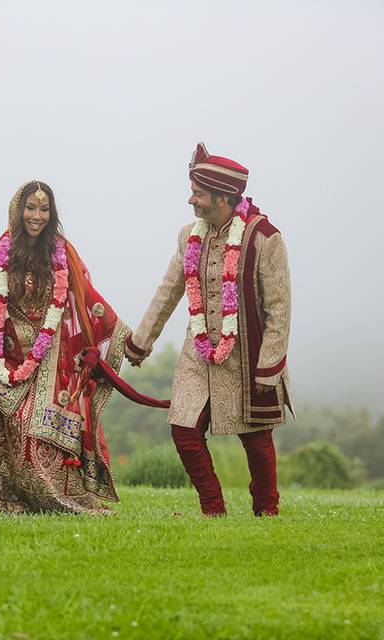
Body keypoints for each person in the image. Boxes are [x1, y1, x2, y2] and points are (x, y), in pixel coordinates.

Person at [0, 180, 130, 514]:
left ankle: (55, 499)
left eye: (44, 209)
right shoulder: (0, 253)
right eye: (31, 208)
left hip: (51, 354)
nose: (37, 216)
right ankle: (9, 498)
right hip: (6, 353)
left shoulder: (62, 253)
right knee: (5, 430)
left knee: (31, 427)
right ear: (17, 210)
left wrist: (123, 334)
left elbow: (86, 300)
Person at [125, 143, 294, 516]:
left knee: (255, 437)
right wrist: (140, 343)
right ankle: (212, 508)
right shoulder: (190, 237)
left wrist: (270, 365)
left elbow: (279, 307)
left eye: (198, 193)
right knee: (184, 431)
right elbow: (168, 291)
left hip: (247, 353)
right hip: (197, 354)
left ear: (223, 197)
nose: (191, 200)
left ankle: (267, 509)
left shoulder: (266, 238)